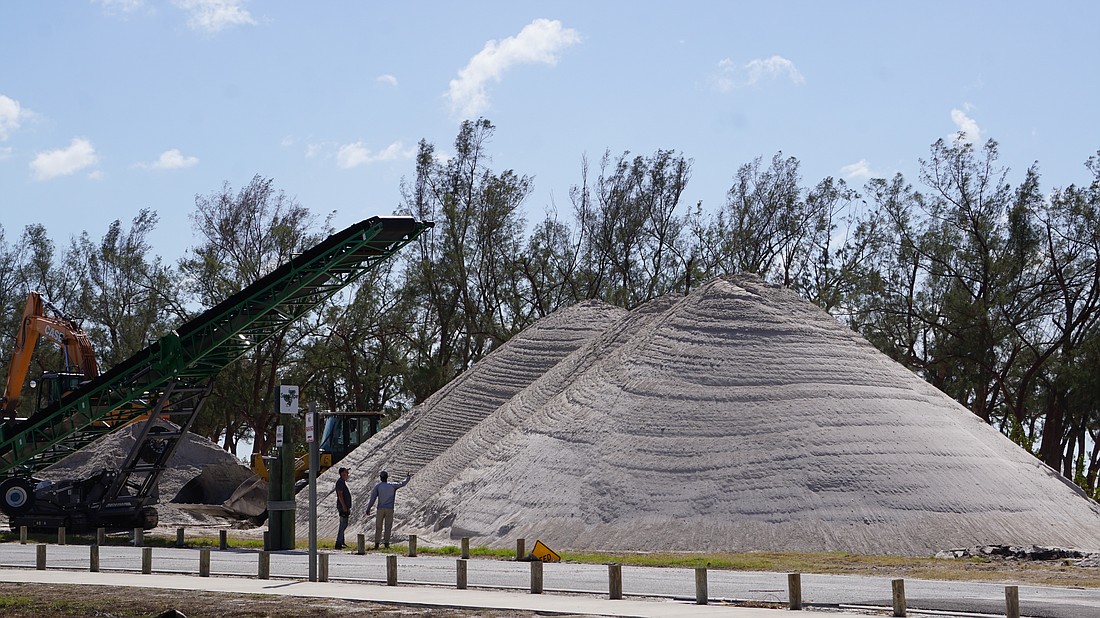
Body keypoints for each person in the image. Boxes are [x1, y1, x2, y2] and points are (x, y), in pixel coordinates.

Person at [365, 470, 411, 549]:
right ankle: (386, 543)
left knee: (378, 527)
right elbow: (402, 483)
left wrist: (368, 508)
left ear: (380, 478)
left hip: (380, 509)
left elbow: (373, 498)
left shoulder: (378, 486)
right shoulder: (392, 485)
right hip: (389, 509)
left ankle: (377, 544)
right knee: (388, 527)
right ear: (387, 477)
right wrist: (407, 478)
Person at [334, 467, 351, 549]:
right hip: (342, 506)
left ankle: (342, 542)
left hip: (344, 506)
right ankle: (338, 543)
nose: (347, 475)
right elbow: (340, 495)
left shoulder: (342, 482)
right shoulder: (340, 482)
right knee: (343, 524)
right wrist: (344, 506)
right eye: (345, 473)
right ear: (341, 473)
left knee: (344, 524)